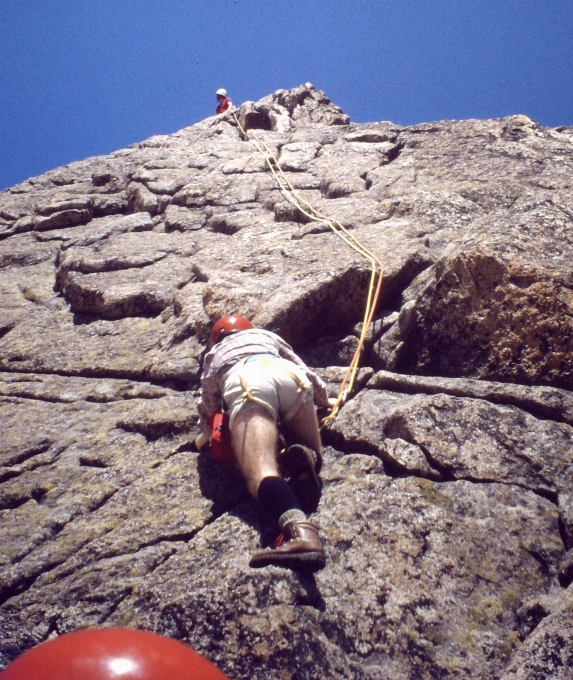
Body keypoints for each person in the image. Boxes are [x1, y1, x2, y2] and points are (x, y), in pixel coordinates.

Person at [196, 315, 330, 571]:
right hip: (291, 378)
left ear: (216, 339)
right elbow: (306, 372)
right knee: (310, 450)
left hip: (248, 382)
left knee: (260, 474)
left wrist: (203, 436)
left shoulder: (215, 354)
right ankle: (307, 458)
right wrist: (323, 401)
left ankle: (301, 535)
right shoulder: (268, 337)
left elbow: (208, 402)